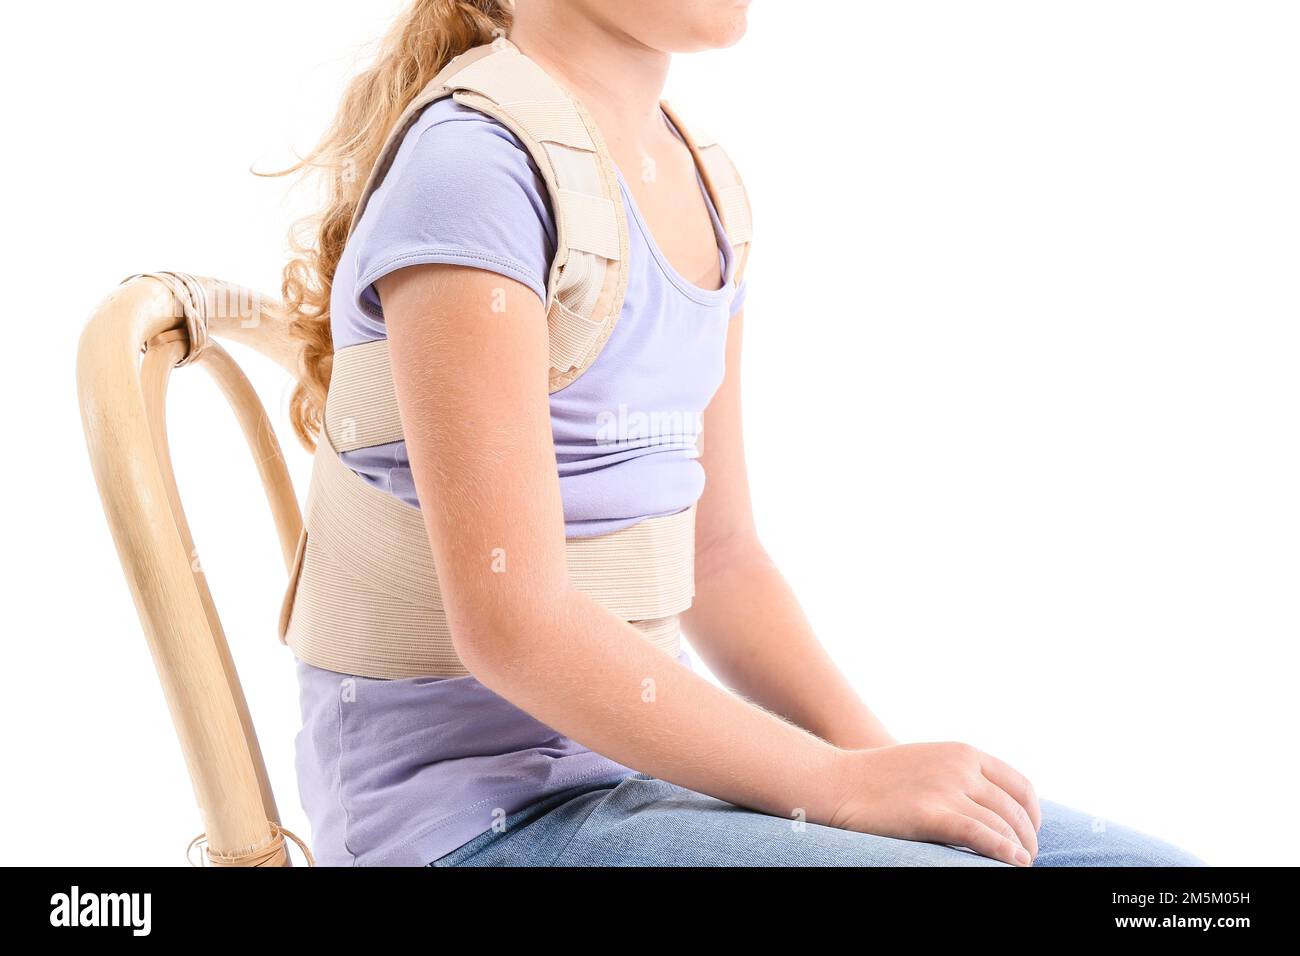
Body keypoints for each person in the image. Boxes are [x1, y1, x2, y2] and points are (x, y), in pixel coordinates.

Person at [277, 0, 1203, 867]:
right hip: (469, 824)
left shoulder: (702, 182)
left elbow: (721, 562)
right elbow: (513, 626)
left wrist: (890, 775)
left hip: (646, 774)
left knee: (1174, 889)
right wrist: (836, 786)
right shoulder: (475, 168)